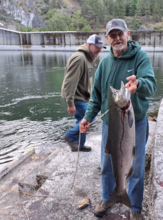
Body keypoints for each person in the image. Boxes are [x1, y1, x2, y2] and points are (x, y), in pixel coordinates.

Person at [79, 19, 157, 219]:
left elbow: (151, 86)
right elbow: (96, 95)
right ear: (107, 39)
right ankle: (109, 197)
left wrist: (138, 84)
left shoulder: (140, 57)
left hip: (135, 124)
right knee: (107, 164)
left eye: (120, 34)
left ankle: (135, 208)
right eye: (112, 35)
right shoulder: (104, 64)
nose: (116, 38)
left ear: (127, 34)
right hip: (110, 125)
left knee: (136, 167)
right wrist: (88, 118)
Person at [61, 34, 106, 152]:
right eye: (97, 47)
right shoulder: (80, 58)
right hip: (76, 97)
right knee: (89, 118)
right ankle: (70, 136)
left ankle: (79, 144)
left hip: (82, 97)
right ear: (89, 45)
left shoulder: (88, 58)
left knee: (81, 119)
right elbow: (70, 81)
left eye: (101, 47)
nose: (99, 50)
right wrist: (70, 102)